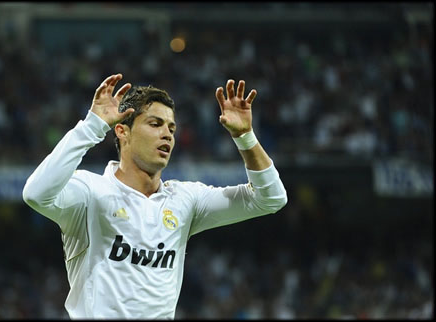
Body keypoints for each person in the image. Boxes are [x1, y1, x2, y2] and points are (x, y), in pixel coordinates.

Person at [22, 73, 287, 319]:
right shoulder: (90, 193)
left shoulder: (185, 200)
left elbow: (271, 198)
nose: (167, 134)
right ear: (122, 131)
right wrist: (93, 126)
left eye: (171, 128)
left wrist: (245, 137)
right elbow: (35, 193)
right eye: (155, 124)